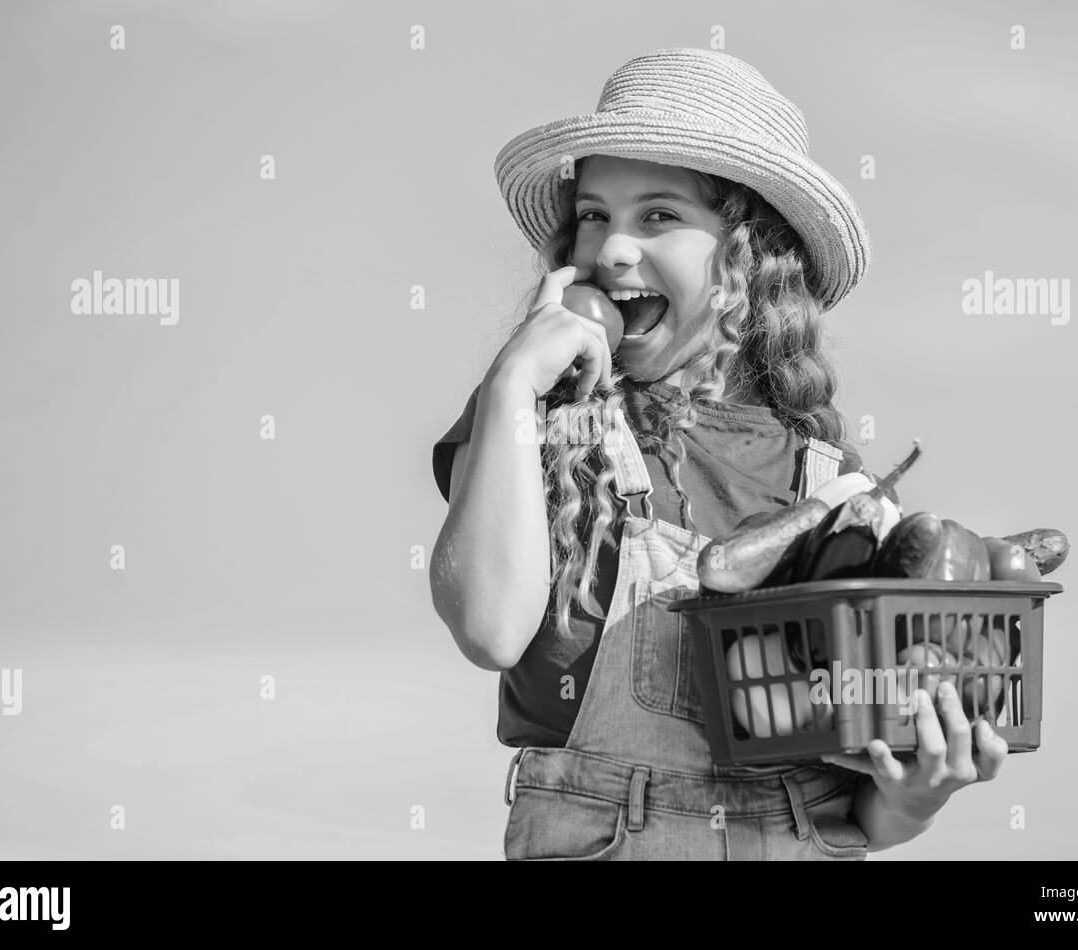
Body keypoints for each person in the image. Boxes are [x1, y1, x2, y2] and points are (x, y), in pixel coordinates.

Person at [429, 47, 1009, 861]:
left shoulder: (830, 488)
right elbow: (489, 627)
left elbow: (862, 807)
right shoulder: (536, 425)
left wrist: (917, 795)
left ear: (749, 257)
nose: (614, 249)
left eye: (658, 216)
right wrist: (514, 380)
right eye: (594, 214)